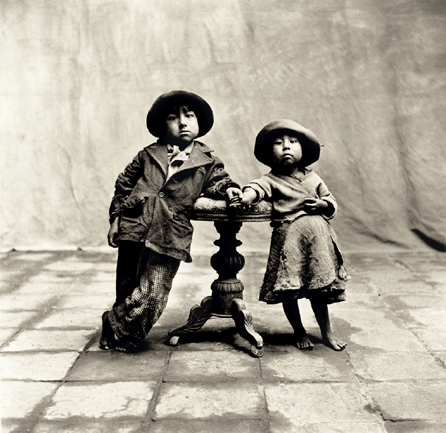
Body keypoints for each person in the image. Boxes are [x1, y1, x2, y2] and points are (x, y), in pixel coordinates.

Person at [100, 90, 239, 352]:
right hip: (135, 225)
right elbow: (123, 186)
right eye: (174, 118)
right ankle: (124, 334)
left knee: (154, 291)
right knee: (128, 286)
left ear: (199, 123)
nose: (183, 122)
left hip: (170, 232)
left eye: (189, 116)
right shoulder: (147, 154)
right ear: (163, 126)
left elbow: (219, 181)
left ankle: (112, 322)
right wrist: (116, 219)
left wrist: (229, 189)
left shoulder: (207, 160)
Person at [228, 119, 350, 351]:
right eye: (278, 143)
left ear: (303, 150)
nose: (286, 147)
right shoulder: (271, 179)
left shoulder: (314, 178)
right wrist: (246, 197)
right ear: (269, 152)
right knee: (289, 291)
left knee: (319, 291)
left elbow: (332, 201)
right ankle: (300, 331)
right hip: (289, 244)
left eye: (293, 142)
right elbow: (256, 188)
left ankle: (327, 332)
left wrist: (323, 204)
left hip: (318, 245)